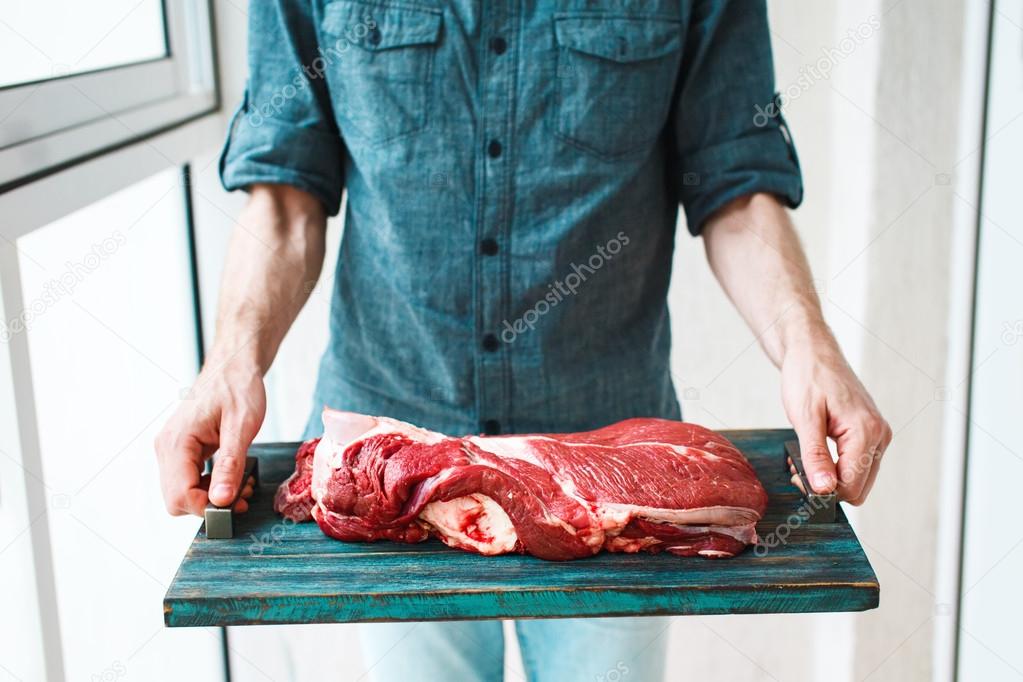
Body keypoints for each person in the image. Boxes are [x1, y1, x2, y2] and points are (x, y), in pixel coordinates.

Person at [155, 1, 892, 680]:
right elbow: (286, 192)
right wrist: (229, 363)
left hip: (616, 476)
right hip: (386, 455)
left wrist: (808, 347)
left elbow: (734, 181)